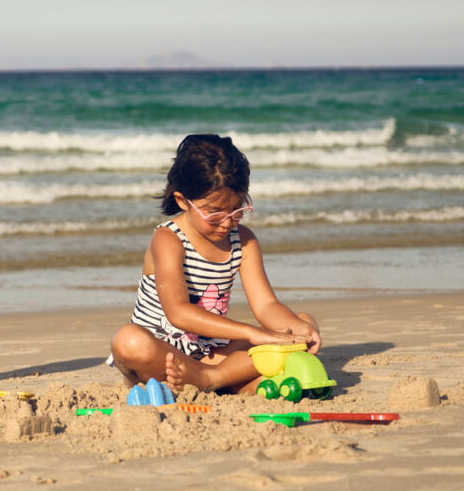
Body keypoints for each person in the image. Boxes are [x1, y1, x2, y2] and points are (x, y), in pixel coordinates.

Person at [109, 134, 321, 395]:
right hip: (163, 354)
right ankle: (219, 380)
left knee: (302, 322)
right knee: (128, 340)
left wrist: (298, 329)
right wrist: (253, 333)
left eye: (237, 210)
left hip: (212, 353)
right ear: (182, 201)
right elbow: (178, 312)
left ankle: (212, 379)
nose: (227, 222)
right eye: (214, 212)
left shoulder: (244, 241)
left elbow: (266, 305)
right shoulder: (168, 239)